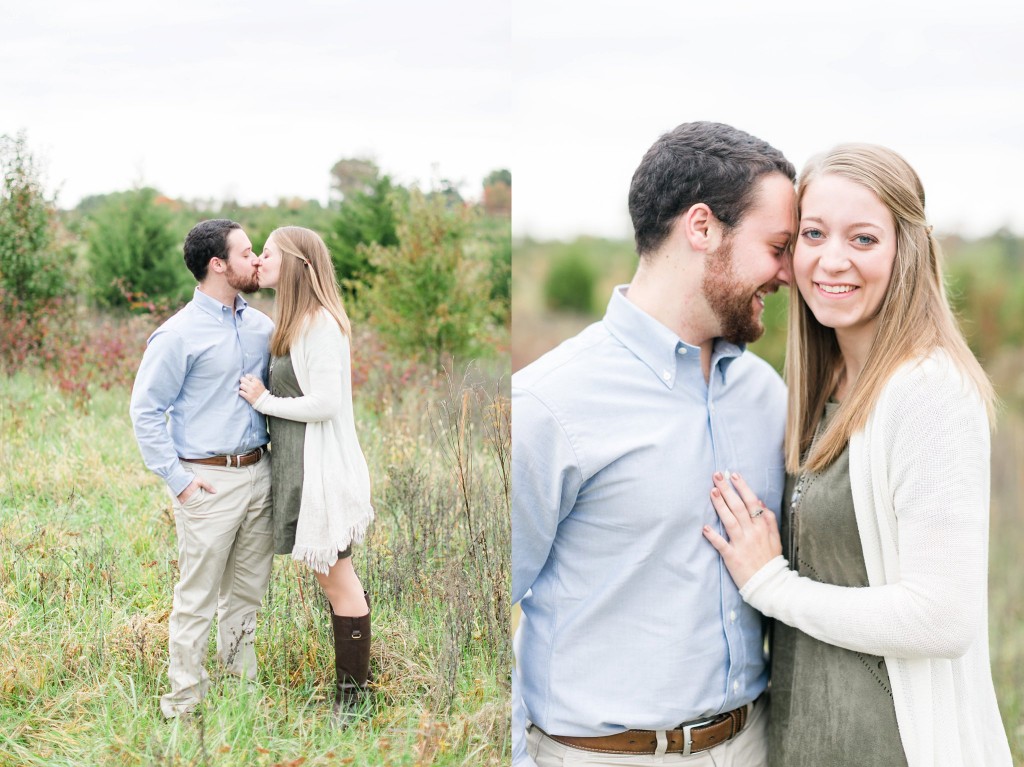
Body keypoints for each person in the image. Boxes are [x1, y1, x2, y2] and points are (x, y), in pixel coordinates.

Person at [703, 144, 1012, 767]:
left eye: (864, 238)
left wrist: (771, 586)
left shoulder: (928, 392)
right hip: (805, 744)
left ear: (907, 251)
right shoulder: (823, 391)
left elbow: (940, 618)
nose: (832, 259)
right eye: (813, 233)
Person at [512, 122, 797, 767]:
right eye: (777, 246)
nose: (788, 273)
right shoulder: (548, 405)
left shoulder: (766, 394)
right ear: (702, 227)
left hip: (755, 744)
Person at [130, 219, 274, 718]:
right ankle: (184, 703)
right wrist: (180, 482)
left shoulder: (262, 326)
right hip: (207, 482)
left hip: (261, 474)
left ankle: (239, 695)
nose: (256, 260)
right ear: (218, 264)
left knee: (247, 595)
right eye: (247, 252)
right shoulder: (177, 335)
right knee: (197, 598)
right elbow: (145, 411)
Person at [238, 226, 374, 726]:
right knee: (336, 578)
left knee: (338, 579)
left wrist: (263, 400)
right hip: (300, 468)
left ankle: (353, 702)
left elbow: (326, 403)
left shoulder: (319, 323)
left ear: (296, 262)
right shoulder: (293, 319)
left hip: (321, 472)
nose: (259, 261)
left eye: (267, 253)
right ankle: (352, 692)